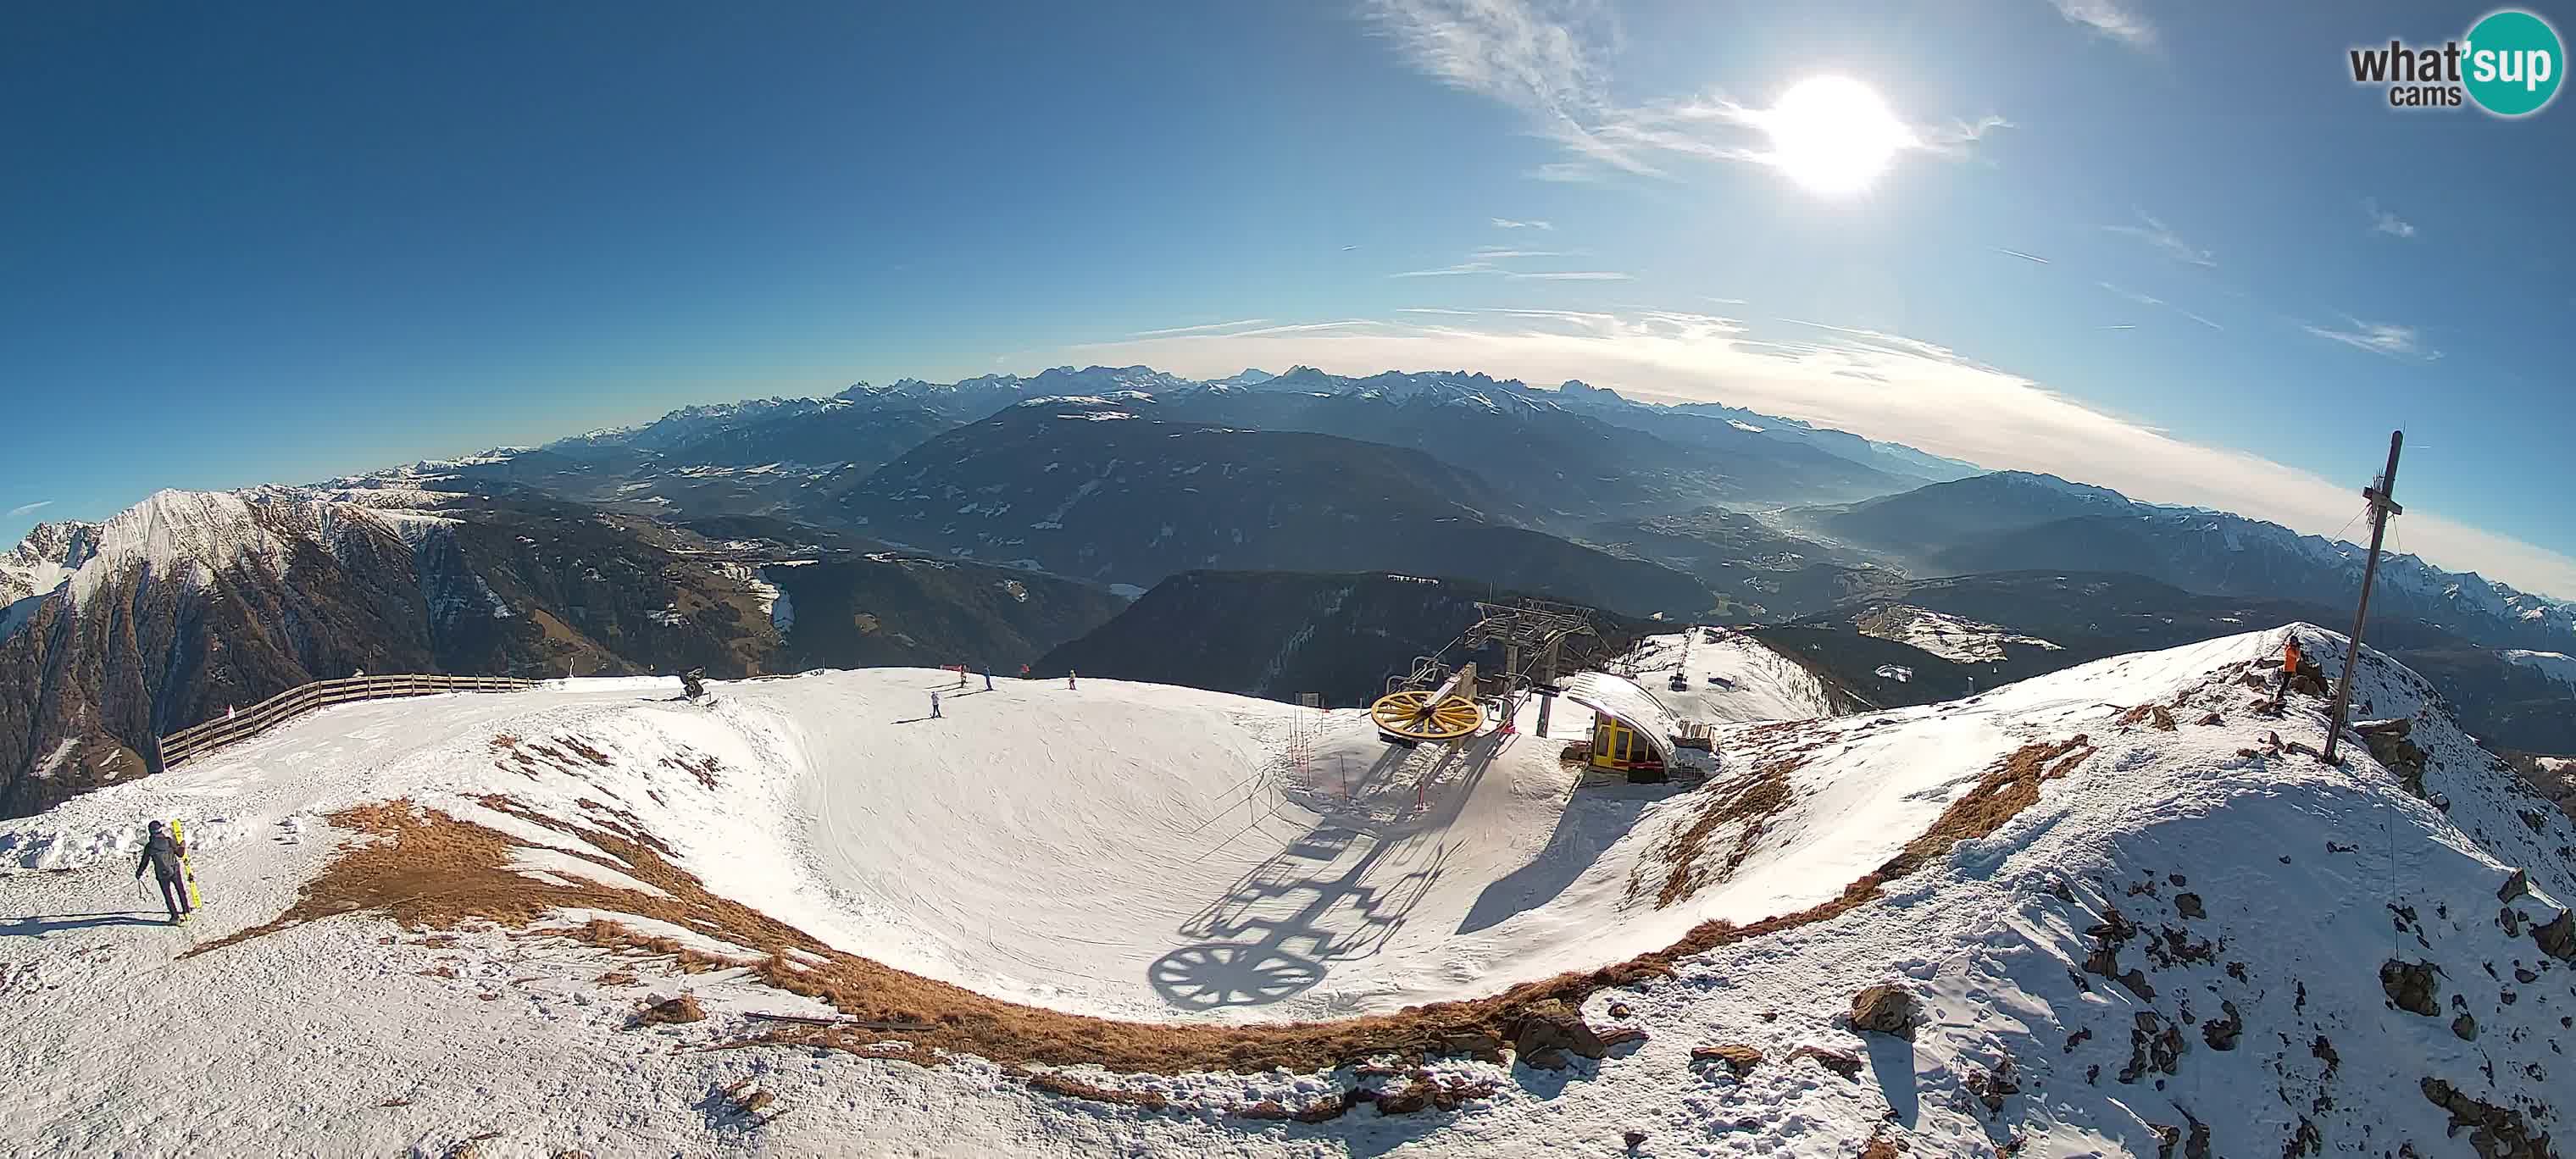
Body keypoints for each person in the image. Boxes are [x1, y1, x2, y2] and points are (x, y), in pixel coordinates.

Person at [136, 821, 192, 924]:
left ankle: (175, 917)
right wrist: (183, 845)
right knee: (180, 891)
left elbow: (145, 862)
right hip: (174, 870)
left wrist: (139, 873)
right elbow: (180, 854)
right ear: (160, 829)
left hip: (162, 874)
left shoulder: (149, 847)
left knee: (168, 895)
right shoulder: (169, 841)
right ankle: (186, 911)